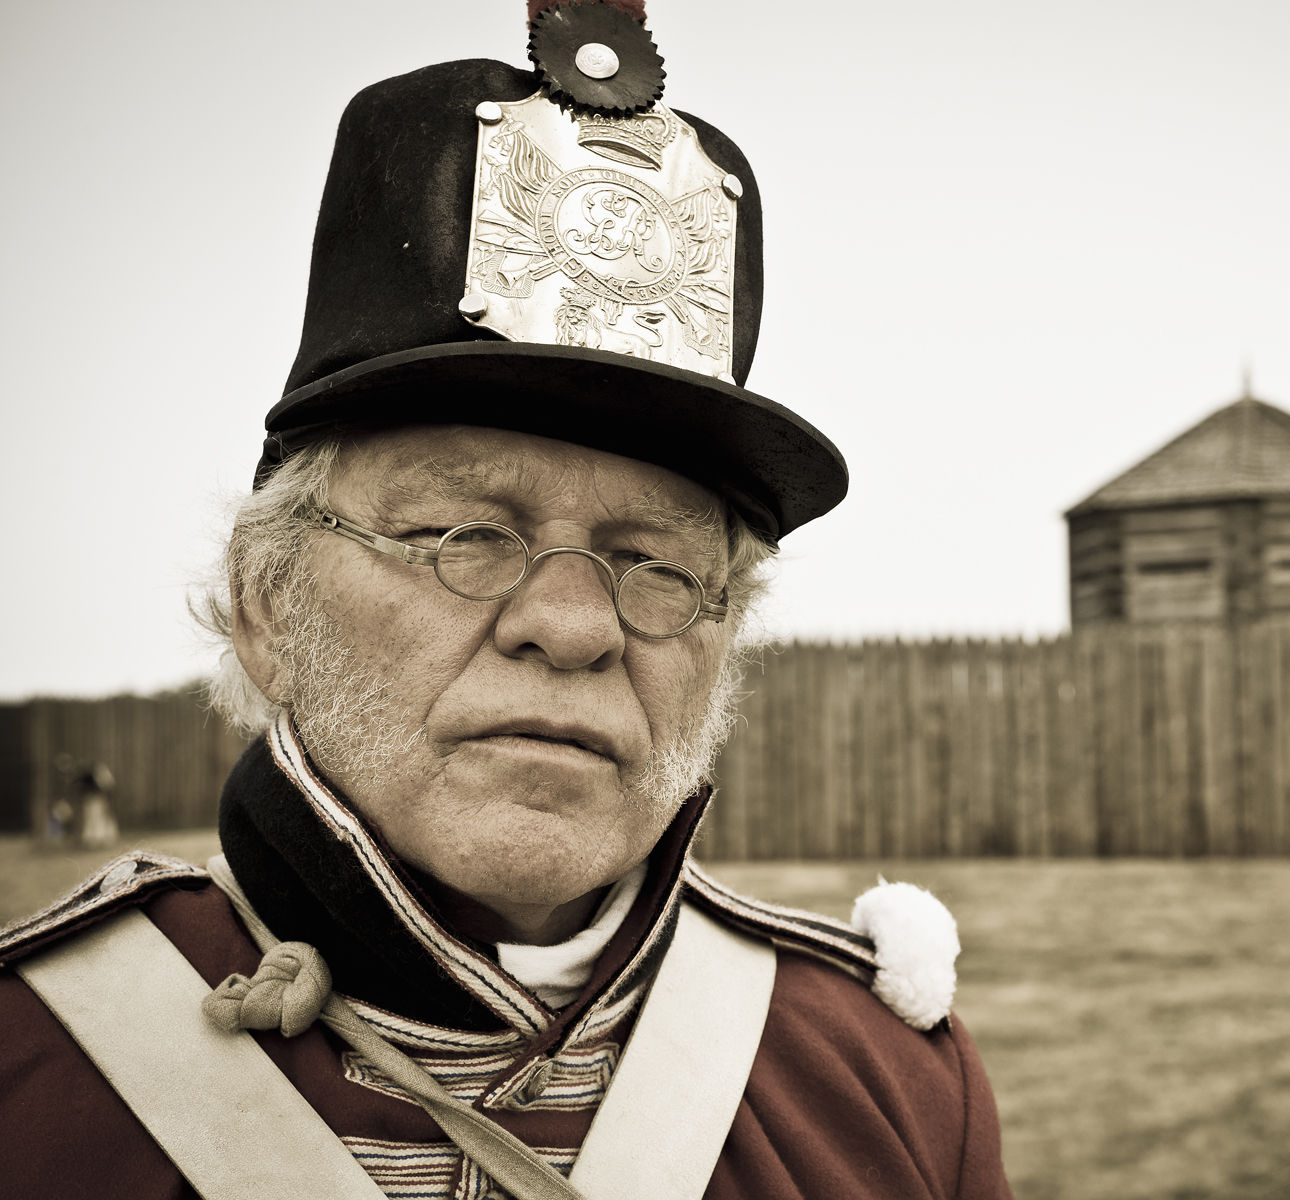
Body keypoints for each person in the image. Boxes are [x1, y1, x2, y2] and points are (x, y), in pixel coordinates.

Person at [0, 4, 1012, 1196]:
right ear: (268, 604)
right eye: (464, 535)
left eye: (658, 564)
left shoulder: (893, 1091)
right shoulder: (28, 1070)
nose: (576, 627)